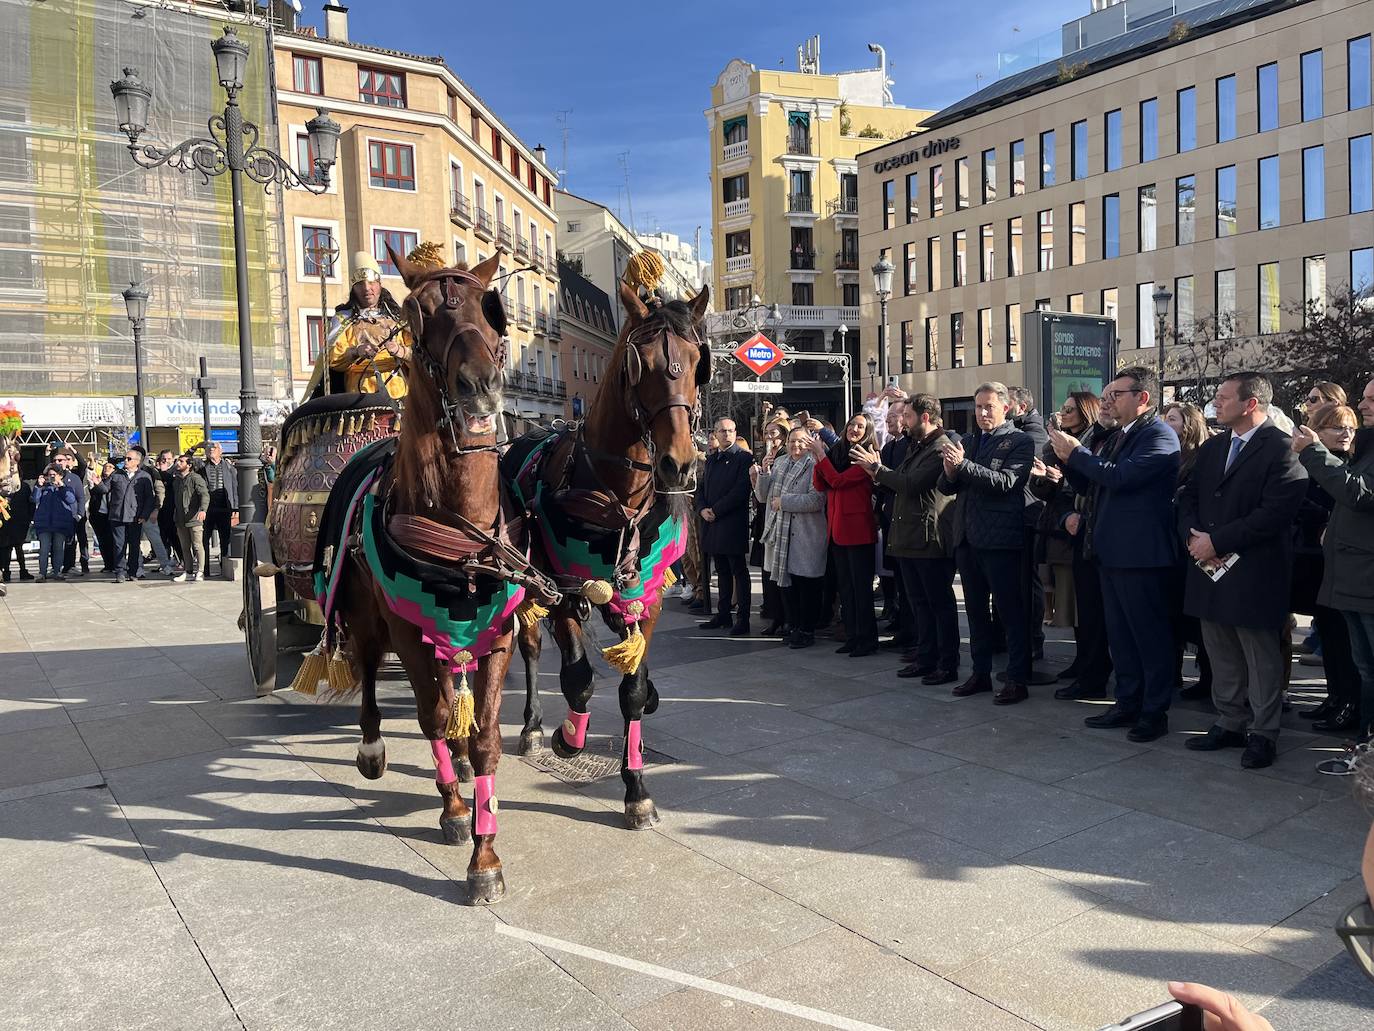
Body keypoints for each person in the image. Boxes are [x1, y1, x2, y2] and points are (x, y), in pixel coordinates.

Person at [1179, 373, 1308, 770]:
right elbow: (1188, 496)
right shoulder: (1215, 446)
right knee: (1220, 649)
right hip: (1208, 568)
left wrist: (1218, 542)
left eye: (1222, 397)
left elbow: (1275, 513)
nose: (1214, 404)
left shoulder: (1283, 448)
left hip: (1254, 571)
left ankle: (1264, 732)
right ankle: (1230, 721)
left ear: (1250, 404)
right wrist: (1193, 537)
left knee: (1261, 657)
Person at [1051, 366, 1180, 742]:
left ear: (1143, 398)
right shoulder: (1117, 435)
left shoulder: (1159, 435)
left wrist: (1077, 455)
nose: (1108, 402)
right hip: (1110, 551)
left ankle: (1153, 712)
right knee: (1120, 636)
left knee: (1148, 636)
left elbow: (1122, 477)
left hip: (1141, 554)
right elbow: (1095, 482)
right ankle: (1127, 703)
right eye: (1107, 396)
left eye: (1116, 395)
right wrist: (1066, 461)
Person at [1292, 378, 1374, 765]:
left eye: (1373, 400)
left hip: (1365, 575)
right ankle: (1362, 734)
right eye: (1366, 398)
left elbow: (1356, 493)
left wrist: (1313, 453)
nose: (1364, 405)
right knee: (1361, 664)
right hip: (1349, 573)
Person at [940, 382, 1034, 703]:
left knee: (1009, 612)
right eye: (978, 407)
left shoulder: (1019, 441)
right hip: (967, 538)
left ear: (1004, 408)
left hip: (1000, 541)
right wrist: (951, 469)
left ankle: (1017, 678)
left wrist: (963, 466)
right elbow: (947, 485)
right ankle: (980, 674)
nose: (981, 413)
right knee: (976, 613)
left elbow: (1006, 482)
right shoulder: (968, 440)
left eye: (988, 407)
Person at [856, 394, 960, 684]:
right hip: (910, 537)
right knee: (919, 604)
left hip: (930, 538)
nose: (903, 422)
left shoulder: (941, 447)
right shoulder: (918, 445)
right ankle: (926, 657)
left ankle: (947, 662)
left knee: (939, 604)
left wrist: (877, 470)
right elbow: (899, 476)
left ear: (925, 417)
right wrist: (878, 471)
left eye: (909, 416)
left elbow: (910, 484)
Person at [1032, 392, 1100, 649]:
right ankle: (1081, 660)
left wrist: (1062, 474)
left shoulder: (1090, 441)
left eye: (1070, 410)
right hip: (1060, 525)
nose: (1063, 414)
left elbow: (1085, 485)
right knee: (1071, 603)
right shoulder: (1056, 445)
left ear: (1086, 411)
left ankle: (1089, 662)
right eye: (1063, 409)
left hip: (1080, 527)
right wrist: (1044, 479)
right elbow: (1049, 492)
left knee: (1083, 604)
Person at [812, 413, 881, 658]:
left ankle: (867, 639)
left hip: (858, 531)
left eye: (860, 426)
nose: (854, 429)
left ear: (868, 430)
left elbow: (839, 482)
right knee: (846, 589)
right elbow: (821, 484)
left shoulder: (867, 456)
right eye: (852, 424)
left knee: (861, 590)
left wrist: (820, 456)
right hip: (837, 530)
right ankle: (852, 636)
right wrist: (819, 459)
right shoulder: (838, 452)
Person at [301, 251, 412, 400]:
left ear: (379, 285)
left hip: (398, 392)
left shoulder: (399, 319)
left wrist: (401, 351)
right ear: (354, 288)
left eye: (372, 283)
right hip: (358, 394)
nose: (367, 288)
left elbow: (420, 356)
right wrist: (355, 351)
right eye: (360, 284)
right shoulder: (343, 319)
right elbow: (332, 359)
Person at [754, 427, 828, 649]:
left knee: (807, 587)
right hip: (782, 536)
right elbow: (763, 496)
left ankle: (807, 630)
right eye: (792, 441)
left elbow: (816, 501)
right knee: (787, 586)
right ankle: (793, 626)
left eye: (800, 441)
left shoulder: (815, 464)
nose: (795, 445)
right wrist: (764, 473)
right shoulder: (780, 462)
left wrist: (785, 501)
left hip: (806, 535)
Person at [1163, 402, 1213, 701]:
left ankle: (1208, 678)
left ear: (1188, 425)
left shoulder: (1199, 457)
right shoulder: (1168, 454)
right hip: (1169, 546)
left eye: (1172, 419)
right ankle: (1173, 672)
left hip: (1194, 548)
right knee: (1173, 613)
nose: (1165, 423)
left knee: (1200, 619)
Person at [696, 418, 754, 635]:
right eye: (722, 431)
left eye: (730, 431)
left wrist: (716, 510)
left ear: (735, 432)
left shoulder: (744, 458)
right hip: (711, 522)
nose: (726, 434)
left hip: (732, 523)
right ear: (716, 434)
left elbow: (740, 492)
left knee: (738, 571)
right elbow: (700, 488)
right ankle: (722, 615)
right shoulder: (711, 459)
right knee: (720, 571)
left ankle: (743, 618)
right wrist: (702, 509)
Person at [106, 445, 157, 583]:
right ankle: (120, 572)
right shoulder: (116, 474)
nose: (126, 461)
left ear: (137, 461)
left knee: (134, 545)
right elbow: (105, 488)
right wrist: (97, 483)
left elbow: (149, 498)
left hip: (135, 516)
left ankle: (133, 571)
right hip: (117, 516)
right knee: (118, 545)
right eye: (125, 458)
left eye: (129, 459)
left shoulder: (144, 477)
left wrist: (144, 515)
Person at [31, 465, 78, 582]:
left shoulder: (65, 488)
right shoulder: (42, 488)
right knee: (44, 549)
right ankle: (42, 573)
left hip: (60, 523)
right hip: (44, 523)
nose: (51, 478)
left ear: (60, 476)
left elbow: (71, 500)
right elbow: (34, 499)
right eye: (49, 475)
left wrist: (62, 487)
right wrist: (38, 486)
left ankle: (57, 571)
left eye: (54, 475)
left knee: (58, 548)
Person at [169, 453, 210, 583]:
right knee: (184, 546)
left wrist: (203, 509)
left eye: (181, 461)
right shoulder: (177, 480)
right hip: (180, 519)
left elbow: (204, 495)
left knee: (197, 545)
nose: (178, 463)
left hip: (194, 517)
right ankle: (188, 571)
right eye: (177, 461)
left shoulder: (196, 478)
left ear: (189, 465)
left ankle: (201, 571)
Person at [200, 442, 238, 578]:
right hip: (207, 509)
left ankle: (224, 567)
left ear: (220, 451)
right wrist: (197, 446)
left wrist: (235, 507)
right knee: (204, 539)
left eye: (214, 448)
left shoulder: (229, 467)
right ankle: (204, 569)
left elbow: (234, 487)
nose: (211, 450)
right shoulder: (202, 467)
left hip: (224, 508)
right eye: (209, 448)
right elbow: (188, 458)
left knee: (225, 539)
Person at [1, 443, 34, 583]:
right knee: (5, 548)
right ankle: (6, 571)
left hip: (20, 520)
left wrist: (30, 518)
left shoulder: (24, 487)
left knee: (18, 547)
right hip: (5, 521)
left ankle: (23, 570)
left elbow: (30, 504)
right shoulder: (3, 485)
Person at [53, 449, 88, 577]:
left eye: (60, 460)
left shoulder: (74, 477)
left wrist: (79, 514)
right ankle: (56, 566)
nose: (57, 462)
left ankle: (70, 566)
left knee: (71, 542)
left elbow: (80, 497)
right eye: (55, 460)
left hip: (71, 516)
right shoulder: (48, 478)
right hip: (55, 516)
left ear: (66, 462)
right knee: (54, 543)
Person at [153, 449, 182, 567]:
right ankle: (165, 562)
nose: (166, 461)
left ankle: (181, 559)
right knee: (163, 535)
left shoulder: (176, 470)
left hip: (173, 507)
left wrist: (164, 472)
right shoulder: (155, 471)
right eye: (163, 459)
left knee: (175, 536)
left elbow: (173, 483)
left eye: (169, 459)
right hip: (161, 508)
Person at [87, 461, 117, 574]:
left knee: (111, 541)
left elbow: (105, 489)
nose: (107, 468)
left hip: (110, 514)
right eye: (105, 467)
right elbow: (92, 491)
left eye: (110, 467)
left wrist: (98, 483)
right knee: (102, 541)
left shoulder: (114, 479)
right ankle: (108, 564)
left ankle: (114, 564)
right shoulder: (100, 479)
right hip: (98, 514)